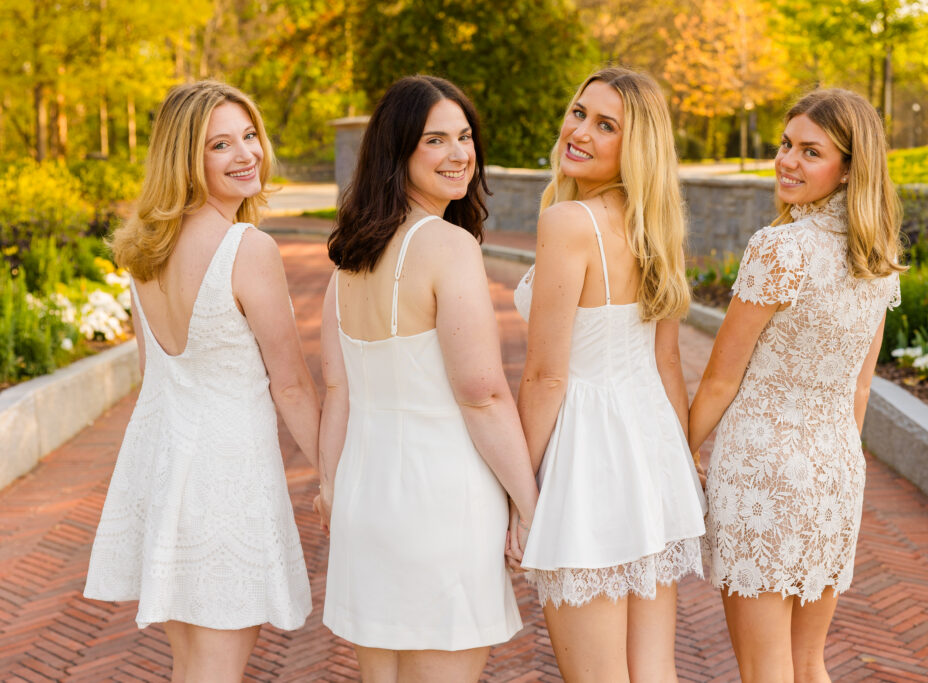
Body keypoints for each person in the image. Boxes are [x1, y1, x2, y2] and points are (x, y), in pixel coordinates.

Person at [84, 80, 320, 681]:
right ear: (187, 158)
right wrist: (334, 472)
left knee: (191, 664)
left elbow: (151, 376)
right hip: (226, 477)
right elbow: (290, 385)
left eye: (249, 136)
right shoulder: (248, 247)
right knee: (213, 669)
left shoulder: (144, 250)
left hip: (162, 466)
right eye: (221, 145)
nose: (246, 155)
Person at [317, 75, 539, 683]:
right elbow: (483, 392)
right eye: (435, 140)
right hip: (440, 500)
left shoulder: (349, 260)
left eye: (464, 136)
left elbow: (338, 391)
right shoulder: (447, 246)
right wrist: (529, 501)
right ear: (398, 153)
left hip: (366, 496)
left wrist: (330, 483)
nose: (459, 153)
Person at [688, 88, 904, 681]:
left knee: (766, 669)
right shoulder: (876, 257)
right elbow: (860, 388)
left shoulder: (779, 249)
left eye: (811, 151)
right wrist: (836, 462)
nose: (787, 160)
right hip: (836, 471)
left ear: (848, 168)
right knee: (809, 663)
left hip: (761, 471)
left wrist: (677, 452)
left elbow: (719, 379)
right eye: (786, 144)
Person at [513, 66, 706, 681]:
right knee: (652, 671)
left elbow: (545, 375)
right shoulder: (660, 228)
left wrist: (519, 491)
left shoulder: (569, 224)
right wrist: (681, 462)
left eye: (605, 125)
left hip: (588, 454)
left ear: (636, 146)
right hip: (649, 446)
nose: (580, 132)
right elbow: (667, 363)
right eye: (578, 113)